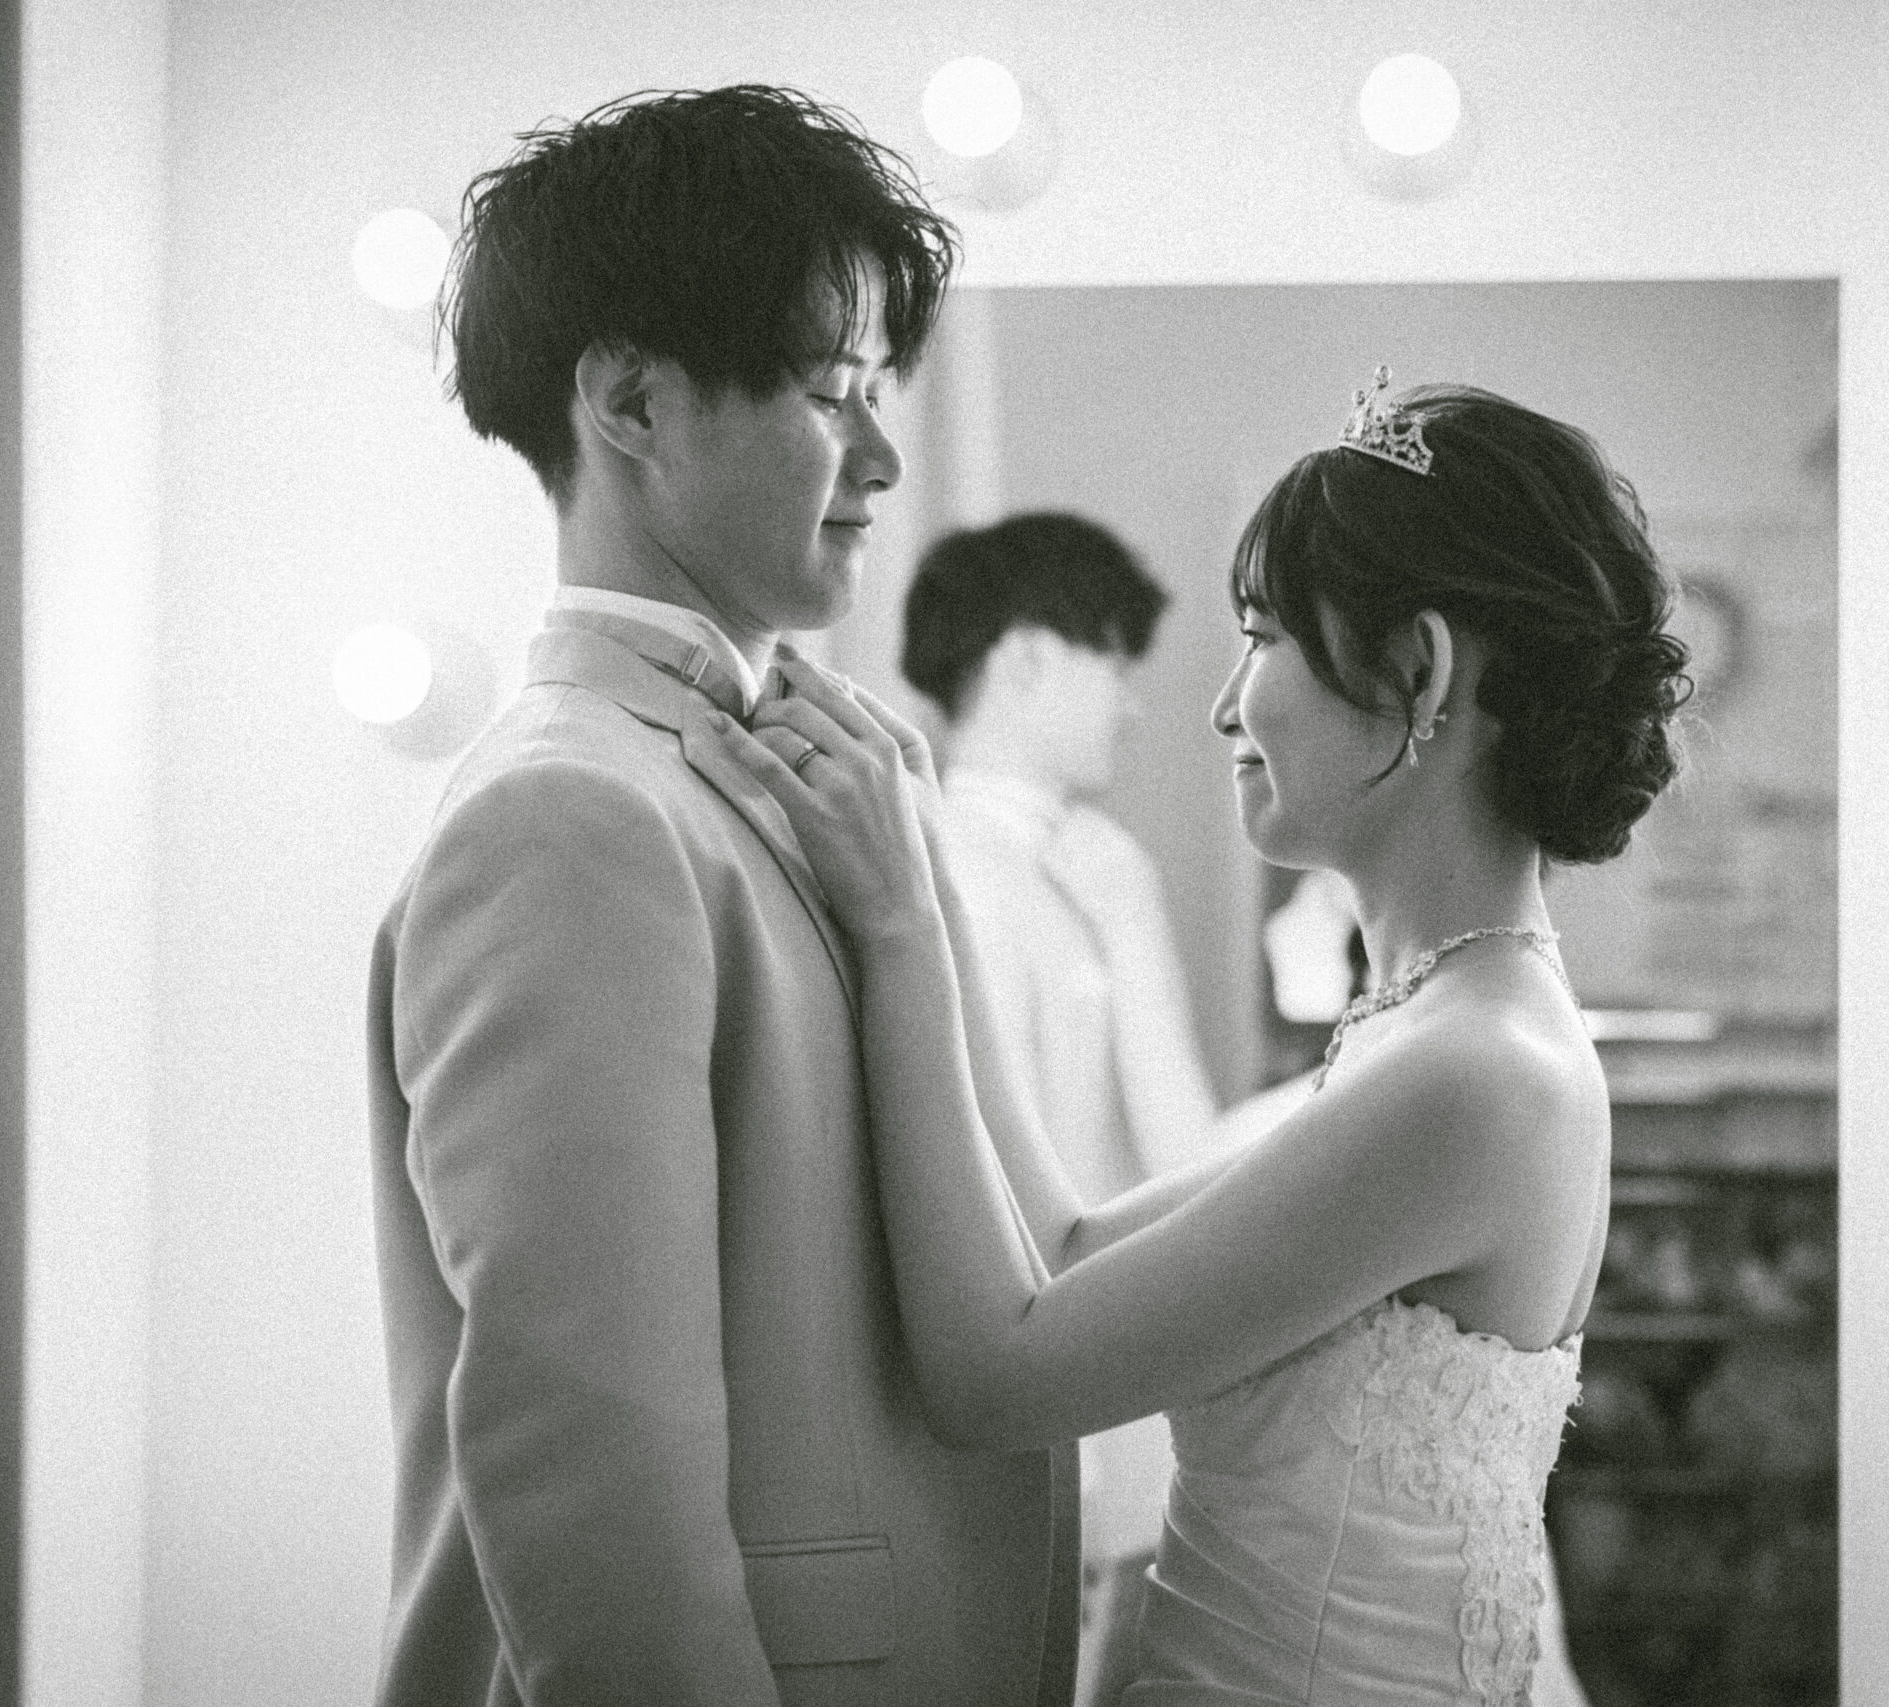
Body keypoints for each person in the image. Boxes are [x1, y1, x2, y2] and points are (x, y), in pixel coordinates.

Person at [714, 373, 1689, 1704]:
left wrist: (894, 931)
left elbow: (995, 1377)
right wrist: (927, 887)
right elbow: (1063, 1250)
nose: (1225, 706)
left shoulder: (1476, 1073)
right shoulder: (1431, 1027)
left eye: (1262, 637)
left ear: (1419, 671)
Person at [364, 86, 1080, 1707]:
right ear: (630, 399)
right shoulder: (567, 816)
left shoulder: (832, 766)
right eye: (834, 393)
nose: (882, 456)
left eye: (882, 392)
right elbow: (595, 1494)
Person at [900, 513, 1224, 1704]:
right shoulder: (961, 871)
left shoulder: (1074, 864)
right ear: (1029, 655)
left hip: (1092, 1368)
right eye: (1114, 663)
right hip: (1044, 1386)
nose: (1131, 706)